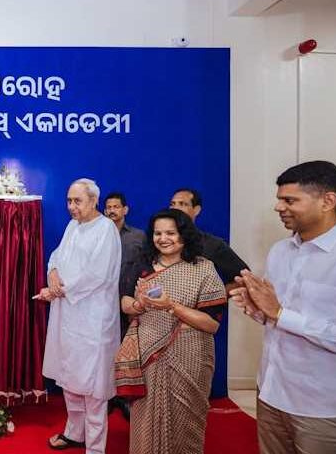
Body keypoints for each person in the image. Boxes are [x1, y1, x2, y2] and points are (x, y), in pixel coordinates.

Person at [230, 160, 336, 454]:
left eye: (290, 200)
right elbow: (279, 317)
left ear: (328, 201)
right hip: (270, 395)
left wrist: (281, 314)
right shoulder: (281, 251)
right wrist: (261, 312)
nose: (279, 208)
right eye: (279, 199)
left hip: (325, 408)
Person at [114, 208, 226, 454]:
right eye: (157, 233)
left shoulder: (203, 269)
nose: (163, 239)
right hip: (148, 355)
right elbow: (124, 301)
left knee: (186, 419)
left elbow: (212, 323)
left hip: (190, 356)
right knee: (144, 419)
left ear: (184, 235)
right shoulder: (142, 265)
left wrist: (171, 306)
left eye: (170, 233)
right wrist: (138, 304)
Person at [35, 178, 120, 454]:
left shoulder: (106, 230)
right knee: (69, 377)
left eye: (77, 201)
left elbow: (97, 275)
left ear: (94, 201)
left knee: (93, 387)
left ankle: (95, 447)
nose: (72, 207)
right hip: (67, 315)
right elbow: (57, 256)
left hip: (93, 319)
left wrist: (58, 291)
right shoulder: (74, 226)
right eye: (69, 201)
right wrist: (52, 274)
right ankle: (74, 433)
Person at [104, 191, 145, 420]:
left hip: (129, 305)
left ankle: (125, 398)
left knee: (127, 353)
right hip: (101, 306)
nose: (111, 210)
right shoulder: (97, 235)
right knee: (106, 353)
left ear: (125, 210)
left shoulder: (139, 237)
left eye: (116, 206)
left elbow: (148, 267)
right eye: (108, 207)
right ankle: (108, 397)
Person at [170, 188, 248, 288]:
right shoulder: (160, 242)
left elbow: (244, 278)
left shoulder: (212, 244)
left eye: (182, 204)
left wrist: (217, 297)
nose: (175, 208)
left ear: (196, 210)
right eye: (172, 204)